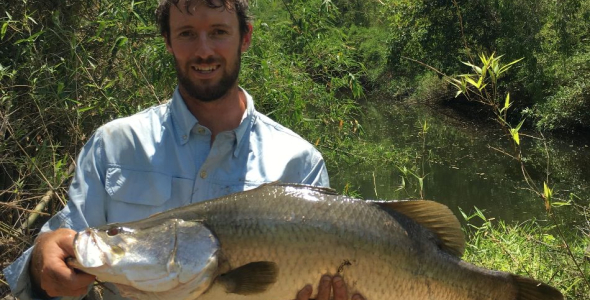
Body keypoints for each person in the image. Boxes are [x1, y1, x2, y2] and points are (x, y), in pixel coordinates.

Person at [3, 0, 365, 300]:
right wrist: (41, 262)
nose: (204, 50)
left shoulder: (299, 161)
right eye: (187, 34)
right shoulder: (113, 146)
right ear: (168, 41)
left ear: (245, 38)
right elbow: (62, 254)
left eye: (219, 32)